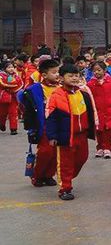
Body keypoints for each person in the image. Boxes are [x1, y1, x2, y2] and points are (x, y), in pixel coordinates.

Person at [45, 64, 97, 200]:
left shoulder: (83, 93)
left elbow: (92, 112)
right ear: (61, 78)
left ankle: (64, 175)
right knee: (65, 162)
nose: (74, 78)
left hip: (82, 135)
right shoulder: (56, 95)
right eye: (70, 76)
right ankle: (65, 188)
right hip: (66, 135)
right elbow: (50, 117)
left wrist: (94, 128)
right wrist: (52, 135)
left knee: (82, 158)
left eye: (76, 75)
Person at [19, 59, 60, 187]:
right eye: (54, 72)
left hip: (59, 126)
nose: (57, 74)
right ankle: (37, 175)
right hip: (44, 126)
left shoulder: (62, 87)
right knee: (45, 152)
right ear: (44, 75)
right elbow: (23, 101)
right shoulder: (35, 89)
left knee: (56, 153)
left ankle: (48, 175)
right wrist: (31, 127)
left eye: (58, 71)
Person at [87, 61, 111, 159]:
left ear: (104, 70)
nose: (96, 72)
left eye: (99, 70)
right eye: (94, 71)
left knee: (108, 130)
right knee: (98, 130)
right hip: (97, 110)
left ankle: (107, 148)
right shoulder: (90, 83)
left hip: (110, 110)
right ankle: (100, 148)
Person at [0, 60, 23, 134]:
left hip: (13, 97)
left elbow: (20, 83)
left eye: (12, 67)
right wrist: (12, 85)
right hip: (4, 98)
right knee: (2, 113)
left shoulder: (15, 76)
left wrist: (12, 85)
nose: (11, 69)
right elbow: (5, 84)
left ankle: (13, 129)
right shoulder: (1, 76)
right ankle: (2, 124)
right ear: (4, 69)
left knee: (13, 112)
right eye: (9, 67)